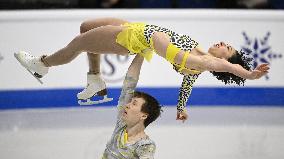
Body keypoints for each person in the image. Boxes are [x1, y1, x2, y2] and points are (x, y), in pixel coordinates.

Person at [14, 18, 269, 121]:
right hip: (137, 28)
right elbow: (186, 89)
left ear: (225, 61)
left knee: (79, 44)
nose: (224, 45)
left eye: (228, 48)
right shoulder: (199, 57)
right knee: (85, 27)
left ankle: (42, 65)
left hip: (134, 39)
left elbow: (227, 66)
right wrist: (181, 108)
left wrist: (249, 74)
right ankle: (95, 81)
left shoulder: (203, 63)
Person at [100, 54, 161, 158]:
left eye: (134, 103)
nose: (127, 105)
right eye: (130, 102)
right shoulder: (121, 125)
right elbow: (129, 84)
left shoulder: (145, 145)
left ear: (143, 116)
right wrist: (141, 53)